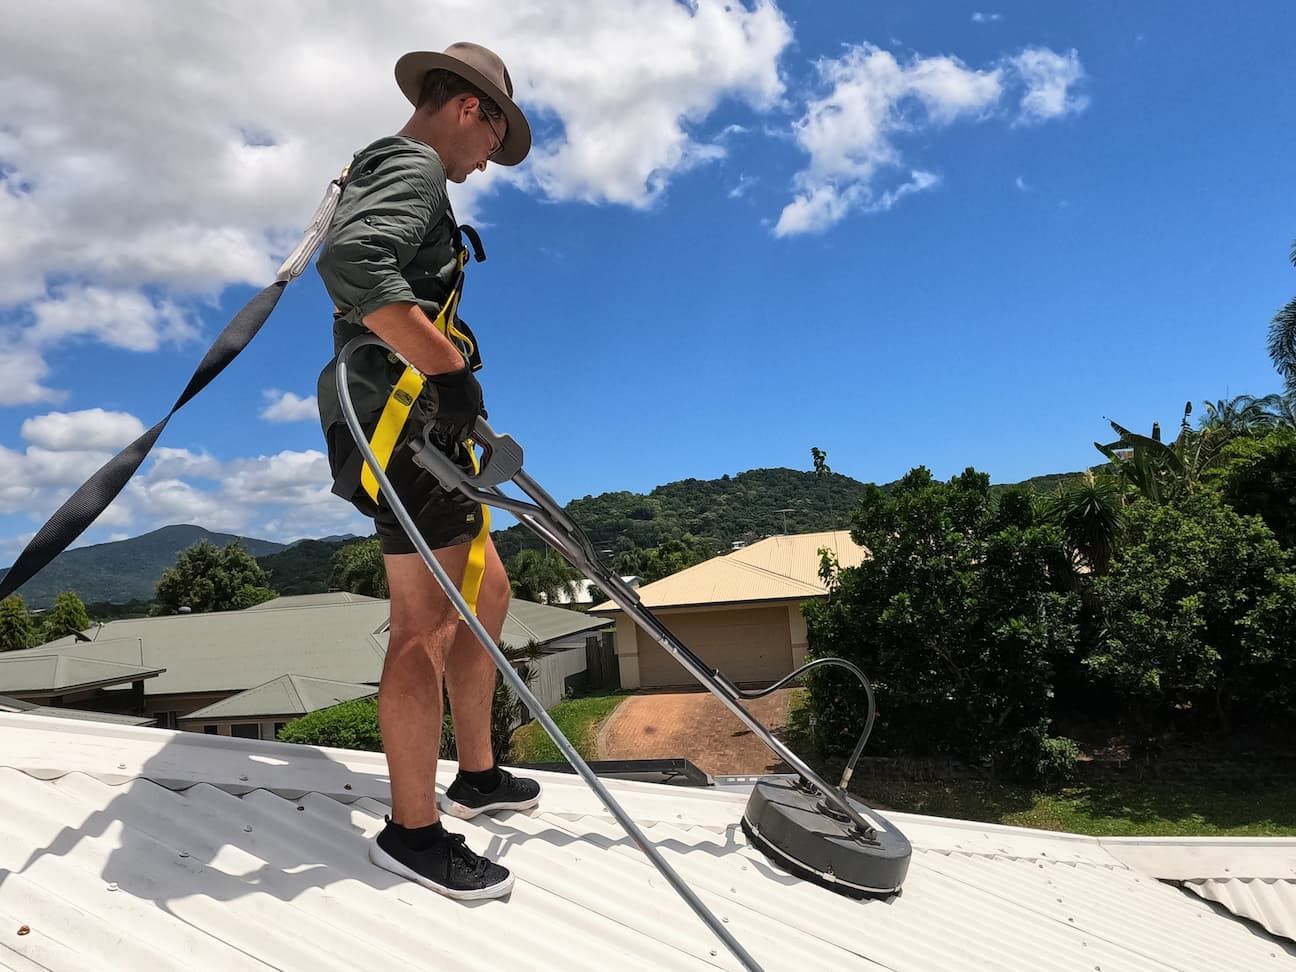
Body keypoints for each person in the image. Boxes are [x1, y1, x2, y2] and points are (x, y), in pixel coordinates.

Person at [314, 42, 539, 901]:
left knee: (486, 593)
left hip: (419, 424)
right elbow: (352, 266)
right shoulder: (410, 166)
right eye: (493, 140)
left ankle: (475, 772)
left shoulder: (404, 171)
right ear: (470, 109)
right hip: (403, 421)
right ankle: (412, 832)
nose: (486, 164)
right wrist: (449, 370)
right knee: (427, 622)